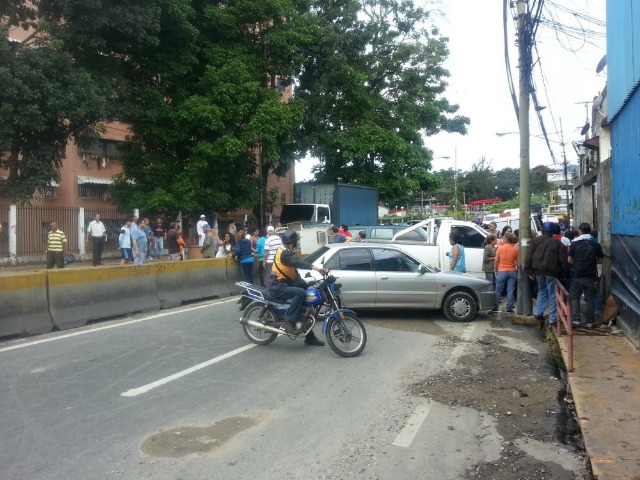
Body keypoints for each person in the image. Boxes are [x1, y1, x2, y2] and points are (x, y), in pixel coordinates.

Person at [270, 230, 327, 346]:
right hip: (278, 286)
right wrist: (316, 268)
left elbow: (294, 273)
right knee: (300, 293)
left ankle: (310, 338)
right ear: (292, 241)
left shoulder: (287, 252)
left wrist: (307, 282)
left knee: (306, 297)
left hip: (285, 283)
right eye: (296, 240)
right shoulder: (285, 254)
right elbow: (298, 263)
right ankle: (289, 320)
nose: (297, 242)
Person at [525, 222, 568, 326]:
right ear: (553, 231)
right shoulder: (557, 243)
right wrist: (564, 274)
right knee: (553, 294)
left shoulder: (535, 241)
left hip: (538, 271)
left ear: (543, 230)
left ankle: (538, 312)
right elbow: (563, 261)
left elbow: (528, 257)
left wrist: (529, 270)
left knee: (542, 290)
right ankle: (553, 319)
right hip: (551, 272)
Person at [568, 222, 604, 329]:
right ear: (590, 231)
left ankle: (576, 321)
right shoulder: (595, 244)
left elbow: (569, 260)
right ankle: (590, 323)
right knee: (590, 299)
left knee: (575, 298)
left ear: (580, 231)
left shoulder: (574, 243)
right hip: (590, 275)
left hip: (576, 275)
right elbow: (600, 260)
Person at [490, 232, 518, 314]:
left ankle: (495, 307)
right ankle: (509, 307)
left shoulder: (500, 248)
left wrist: (495, 270)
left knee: (498, 290)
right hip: (512, 271)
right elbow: (518, 261)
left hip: (502, 271)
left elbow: (496, 260)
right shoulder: (515, 249)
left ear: (505, 239)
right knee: (510, 290)